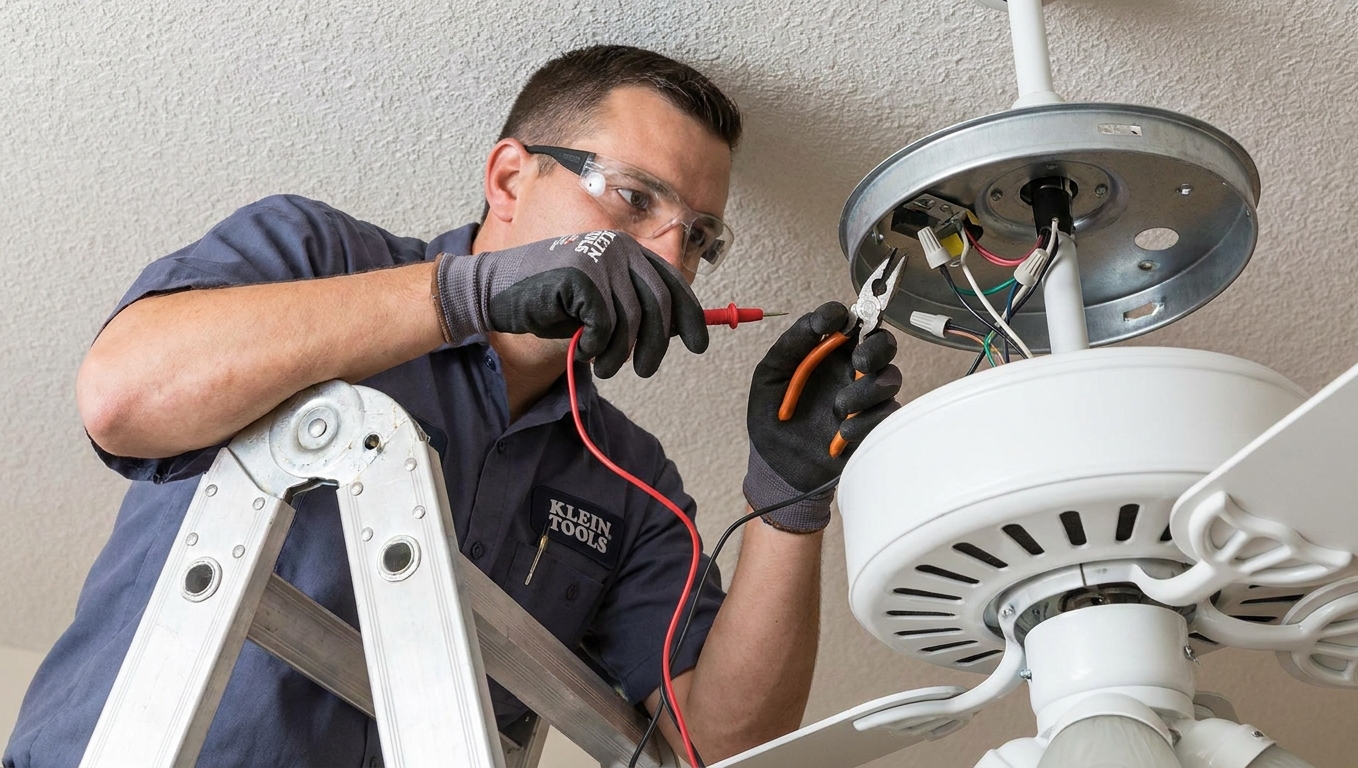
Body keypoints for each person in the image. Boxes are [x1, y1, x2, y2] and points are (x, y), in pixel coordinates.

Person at [4, 45, 902, 767]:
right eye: (634, 198)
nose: (672, 261)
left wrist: (789, 509)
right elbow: (121, 398)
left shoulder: (633, 486)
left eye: (700, 236)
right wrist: (465, 295)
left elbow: (723, 747)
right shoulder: (318, 256)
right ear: (509, 180)